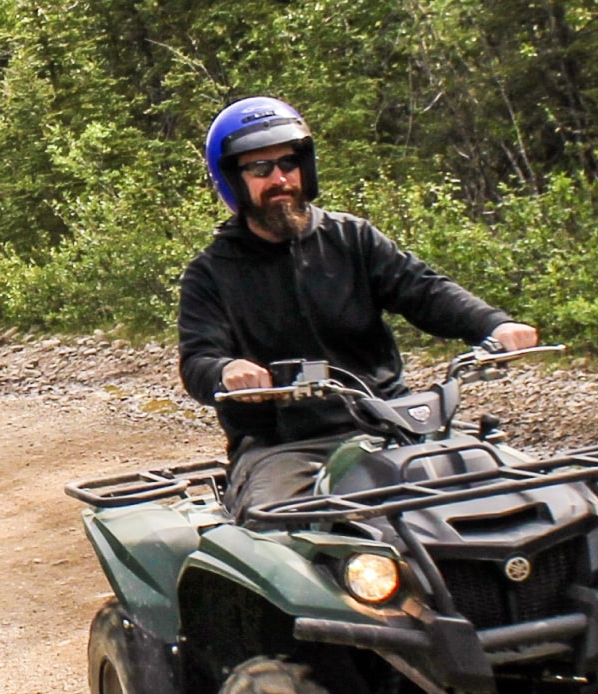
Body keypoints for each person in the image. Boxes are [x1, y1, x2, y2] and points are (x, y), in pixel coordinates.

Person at [177, 96, 540, 516]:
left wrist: (493, 325)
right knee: (278, 531)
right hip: (287, 447)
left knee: (513, 490)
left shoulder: (352, 238)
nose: (280, 179)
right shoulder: (211, 273)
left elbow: (423, 290)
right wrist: (227, 371)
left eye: (289, 163)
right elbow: (198, 359)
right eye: (260, 168)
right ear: (233, 179)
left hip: (392, 422)